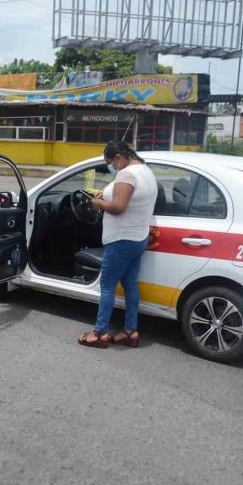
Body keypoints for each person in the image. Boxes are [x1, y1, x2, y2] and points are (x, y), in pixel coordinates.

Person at [78, 140, 158, 349]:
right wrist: (104, 195)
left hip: (121, 240)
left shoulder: (126, 174)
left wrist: (97, 203)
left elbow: (118, 207)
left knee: (107, 286)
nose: (111, 168)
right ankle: (131, 332)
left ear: (117, 158)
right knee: (130, 285)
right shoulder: (145, 170)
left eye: (110, 163)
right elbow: (130, 199)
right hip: (138, 238)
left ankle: (99, 333)